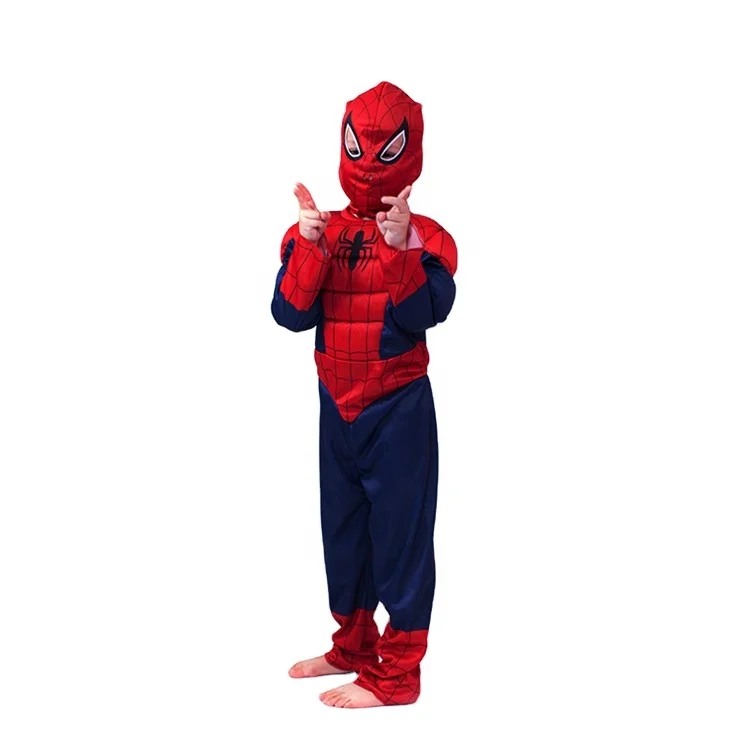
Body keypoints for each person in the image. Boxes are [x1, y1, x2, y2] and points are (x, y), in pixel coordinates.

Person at [271, 81, 458, 708]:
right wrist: (309, 248)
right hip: (337, 406)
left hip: (397, 407)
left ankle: (397, 675)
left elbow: (424, 314)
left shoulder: (428, 237)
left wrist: (401, 248)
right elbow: (289, 315)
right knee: (344, 531)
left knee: (402, 537)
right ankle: (352, 645)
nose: (370, 162)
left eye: (386, 149)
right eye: (359, 146)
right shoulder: (318, 229)